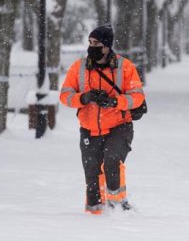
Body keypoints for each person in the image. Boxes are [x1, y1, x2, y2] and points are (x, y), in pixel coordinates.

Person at [59, 25, 145, 215]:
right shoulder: (79, 67)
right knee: (92, 175)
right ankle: (95, 214)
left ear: (107, 46)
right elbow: (65, 95)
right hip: (89, 128)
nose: (91, 47)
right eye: (90, 42)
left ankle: (118, 208)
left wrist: (115, 101)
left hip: (119, 126)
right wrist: (84, 98)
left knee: (111, 163)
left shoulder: (125, 67)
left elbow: (137, 96)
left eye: (96, 43)